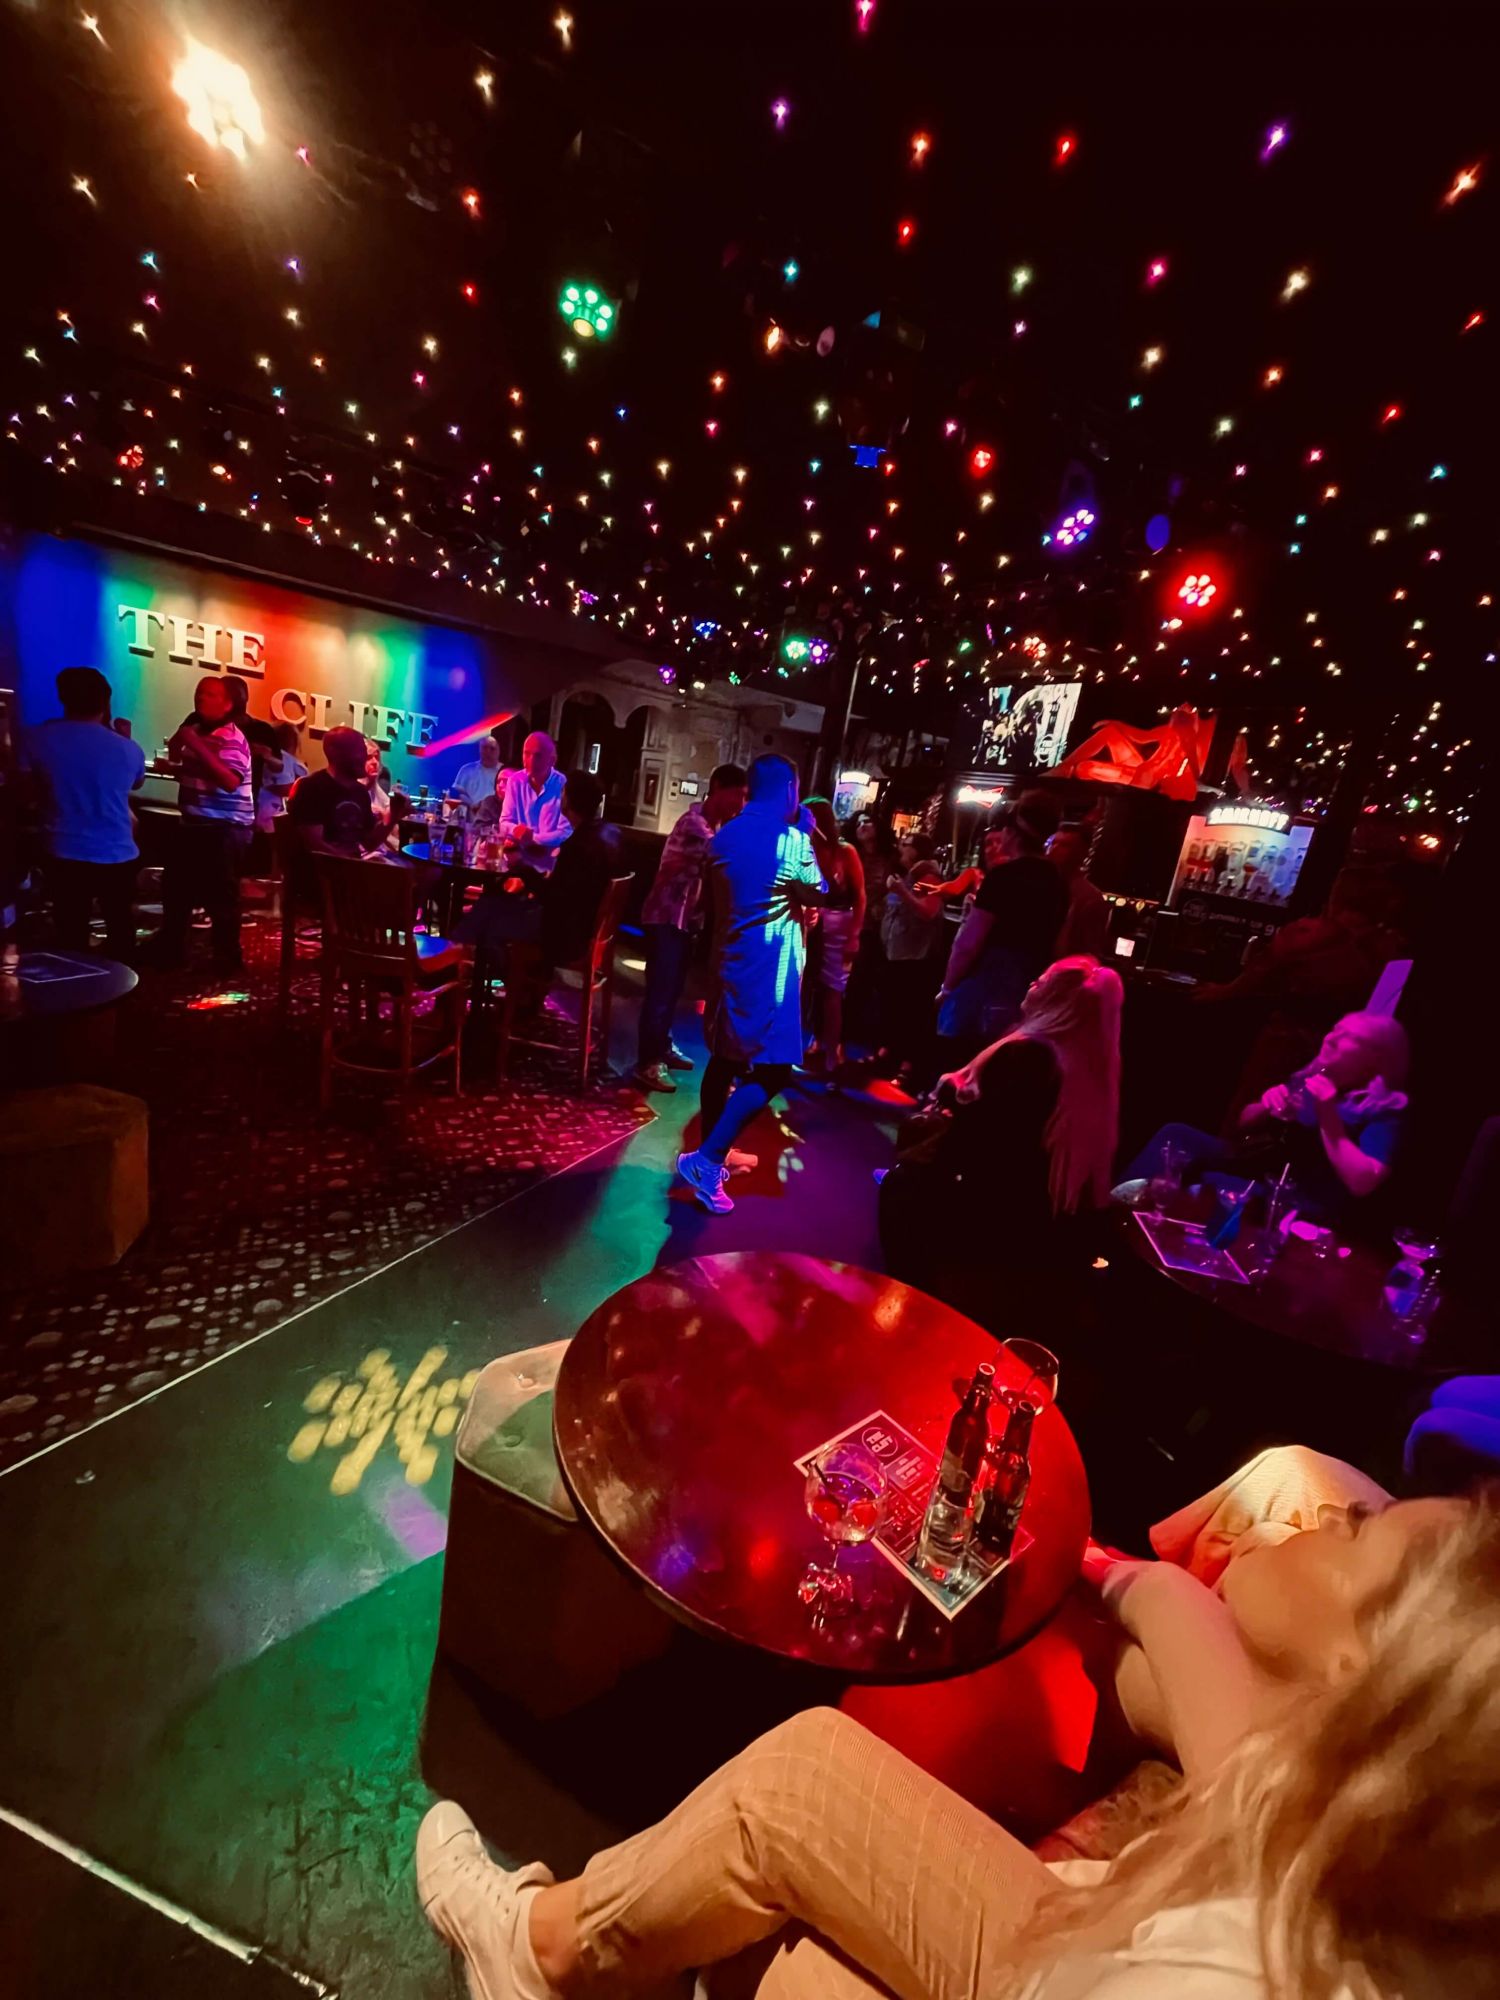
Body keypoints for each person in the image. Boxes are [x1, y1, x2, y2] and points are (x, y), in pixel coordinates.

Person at [416, 1485, 1499, 2000]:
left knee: (792, 1814)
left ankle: (537, 1951)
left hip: (1068, 1972)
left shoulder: (1220, 1977)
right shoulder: (1371, 1861)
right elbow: (1232, 1746)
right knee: (758, 1925)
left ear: (1369, 1680)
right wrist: (1133, 1582)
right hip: (1081, 1948)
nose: (1330, 1506)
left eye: (1362, 1525)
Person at [880, 957, 1122, 1316]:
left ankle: (914, 1310)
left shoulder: (1028, 1057)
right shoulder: (1091, 1072)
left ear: (1059, 1001)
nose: (1032, 983)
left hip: (992, 1217)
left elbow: (977, 1148)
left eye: (1043, 981)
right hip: (1039, 1221)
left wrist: (951, 1105)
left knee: (900, 1188)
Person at [675, 755, 830, 1215]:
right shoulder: (792, 841)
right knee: (774, 1071)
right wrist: (805, 833)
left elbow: (728, 900)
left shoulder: (725, 836)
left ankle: (712, 1154)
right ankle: (707, 1159)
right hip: (772, 974)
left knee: (724, 1062)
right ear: (790, 789)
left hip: (729, 964)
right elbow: (820, 890)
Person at [1125, 1010, 1409, 1221]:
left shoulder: (1384, 1108)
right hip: (1259, 1166)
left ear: (1377, 1059)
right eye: (1335, 1029)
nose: (1332, 1037)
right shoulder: (1313, 1074)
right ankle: (1121, 1209)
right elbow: (1244, 1123)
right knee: (1176, 1135)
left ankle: (1147, 1222)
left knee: (1210, 1181)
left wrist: (1328, 1114)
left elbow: (1362, 1182)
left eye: (1349, 1037)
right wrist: (1265, 1106)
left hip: (1300, 1199)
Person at [457, 772, 621, 1010]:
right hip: (585, 928)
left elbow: (553, 898)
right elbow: (568, 889)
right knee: (492, 906)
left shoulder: (578, 845)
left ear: (569, 800)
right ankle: (526, 993)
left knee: (487, 922)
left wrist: (522, 868)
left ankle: (517, 992)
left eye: (563, 793)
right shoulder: (609, 834)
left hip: (564, 935)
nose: (560, 797)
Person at [631, 763, 748, 1094]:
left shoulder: (712, 824)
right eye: (738, 795)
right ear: (718, 787)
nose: (741, 804)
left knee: (671, 989)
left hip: (683, 921)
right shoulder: (695, 824)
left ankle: (661, 1046)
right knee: (661, 990)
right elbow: (725, 857)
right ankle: (647, 1062)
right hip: (667, 917)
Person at [21, 666, 146, 961]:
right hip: (118, 850)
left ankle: (77, 984)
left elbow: (25, 791)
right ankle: (123, 983)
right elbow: (136, 782)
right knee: (120, 927)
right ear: (105, 702)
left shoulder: (39, 738)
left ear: (63, 697)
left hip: (64, 847)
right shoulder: (128, 748)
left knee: (71, 931)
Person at [936, 790, 1067, 1063]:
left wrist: (947, 987)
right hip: (1027, 991)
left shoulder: (1003, 877)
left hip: (986, 989)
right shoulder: (1058, 880)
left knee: (961, 1065)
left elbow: (969, 943)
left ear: (1014, 833)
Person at [153, 675, 254, 972]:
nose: (201, 698)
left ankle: (227, 959)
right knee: (176, 890)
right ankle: (171, 949)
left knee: (221, 897)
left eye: (210, 694)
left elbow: (229, 780)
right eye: (199, 692)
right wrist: (179, 754)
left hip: (224, 828)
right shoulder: (196, 729)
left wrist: (195, 744)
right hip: (195, 823)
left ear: (228, 704)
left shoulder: (231, 737)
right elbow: (184, 759)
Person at [286, 725, 391, 902]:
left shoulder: (360, 793)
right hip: (319, 878)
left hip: (348, 874)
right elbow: (315, 844)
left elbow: (369, 842)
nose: (364, 756)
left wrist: (393, 815)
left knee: (409, 879)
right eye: (359, 750)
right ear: (335, 753)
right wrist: (351, 865)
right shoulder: (312, 787)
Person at [802, 798, 866, 1073]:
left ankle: (833, 1053)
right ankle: (812, 1043)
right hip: (812, 924)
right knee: (807, 987)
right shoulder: (803, 848)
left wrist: (855, 935)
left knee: (833, 991)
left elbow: (860, 896)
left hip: (839, 925)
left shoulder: (845, 851)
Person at [877, 830, 944, 1083]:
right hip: (899, 953)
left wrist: (901, 891)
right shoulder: (909, 874)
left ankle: (907, 1066)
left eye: (906, 844)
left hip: (916, 957)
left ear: (917, 850)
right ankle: (890, 1055)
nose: (901, 848)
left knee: (912, 1012)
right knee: (896, 1008)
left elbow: (929, 911)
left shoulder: (928, 876)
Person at [498, 732, 569, 876]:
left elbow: (565, 832)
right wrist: (518, 831)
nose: (530, 760)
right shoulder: (515, 781)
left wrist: (532, 839)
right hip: (517, 864)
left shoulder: (563, 784)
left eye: (537, 756)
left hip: (551, 870)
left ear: (552, 760)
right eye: (526, 753)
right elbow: (504, 822)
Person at [1049, 824, 1111, 961]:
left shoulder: (1090, 898)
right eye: (1053, 843)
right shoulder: (1041, 884)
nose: (1054, 849)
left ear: (1082, 853)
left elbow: (1087, 952)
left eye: (1064, 845)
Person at [255, 721, 307, 834]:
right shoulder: (283, 757)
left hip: (266, 807)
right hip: (271, 810)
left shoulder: (274, 757)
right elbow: (284, 788)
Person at [453, 736, 503, 813]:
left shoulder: (504, 773)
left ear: (498, 751)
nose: (488, 752)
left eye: (492, 749)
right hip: (470, 816)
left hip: (495, 816)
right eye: (485, 748)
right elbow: (459, 793)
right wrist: (472, 805)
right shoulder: (466, 770)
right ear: (479, 749)